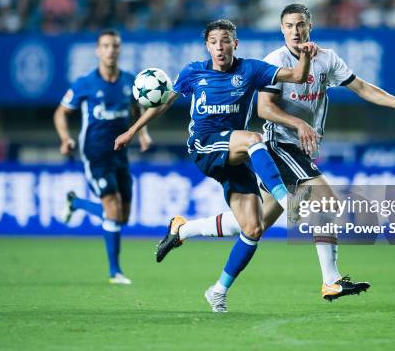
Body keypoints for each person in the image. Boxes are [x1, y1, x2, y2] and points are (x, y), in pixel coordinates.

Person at [154, 3, 395, 301]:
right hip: (278, 145)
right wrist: (298, 123)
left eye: (300, 24)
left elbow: (361, 87)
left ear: (310, 26)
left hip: (299, 150)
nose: (295, 30)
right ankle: (331, 280)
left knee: (251, 224)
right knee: (327, 201)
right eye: (289, 26)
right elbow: (264, 108)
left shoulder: (327, 59)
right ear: (282, 29)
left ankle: (187, 239)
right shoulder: (276, 61)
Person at [114, 19, 316, 312]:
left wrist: (307, 58)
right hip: (204, 146)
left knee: (253, 228)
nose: (220, 47)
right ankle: (287, 200)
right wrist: (132, 131)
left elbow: (298, 76)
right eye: (214, 42)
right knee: (253, 138)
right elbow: (164, 103)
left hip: (235, 153)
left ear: (236, 43)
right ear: (207, 45)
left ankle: (212, 281)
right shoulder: (193, 72)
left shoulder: (251, 70)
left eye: (225, 41)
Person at [53, 29, 151, 285]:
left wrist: (142, 134)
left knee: (123, 216)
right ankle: (114, 272)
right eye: (106, 46)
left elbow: (137, 108)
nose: (111, 50)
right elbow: (61, 113)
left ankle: (76, 204)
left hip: (121, 154)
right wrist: (65, 139)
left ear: (119, 50)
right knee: (112, 208)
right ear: (98, 51)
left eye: (115, 46)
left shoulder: (129, 81)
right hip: (95, 153)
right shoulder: (85, 83)